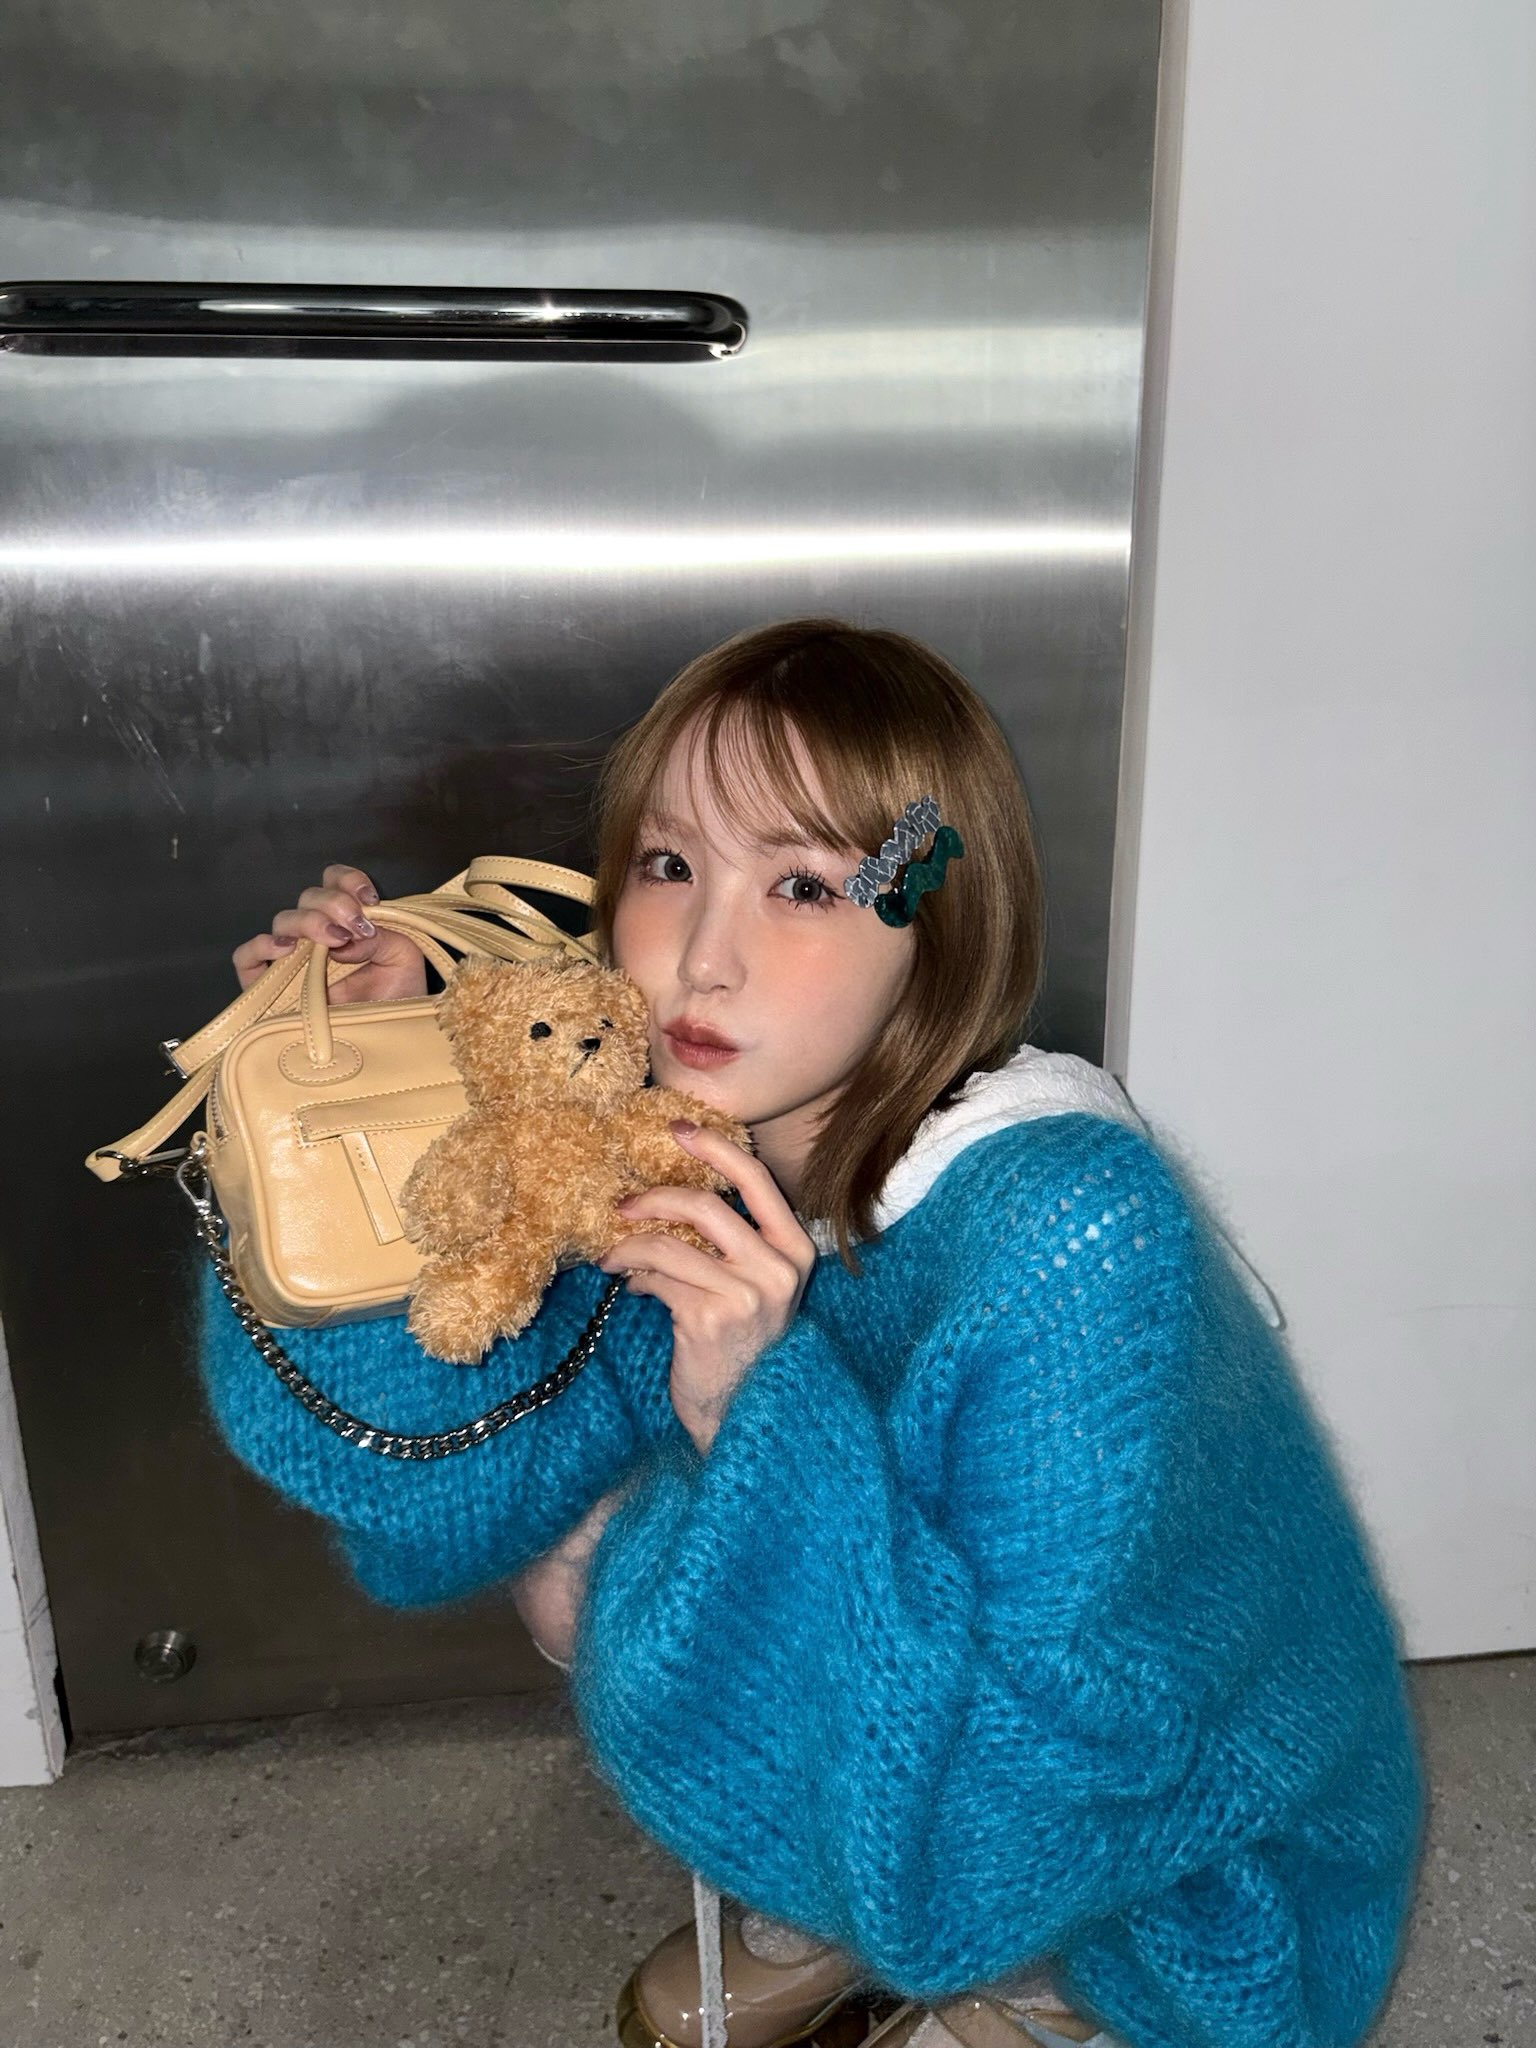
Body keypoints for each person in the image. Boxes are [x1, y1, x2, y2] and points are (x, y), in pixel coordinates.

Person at [204, 616, 1427, 2048]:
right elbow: (444, 1497)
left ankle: (1023, 1977)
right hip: (943, 1734)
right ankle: (844, 1875)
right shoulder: (666, 1141)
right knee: (574, 1543)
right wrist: (381, 1108)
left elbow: (1047, 1774)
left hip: (1169, 1858)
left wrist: (754, 1413)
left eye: (802, 886)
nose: (701, 961)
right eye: (670, 866)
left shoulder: (1073, 1234)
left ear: (934, 926)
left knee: (656, 1562)